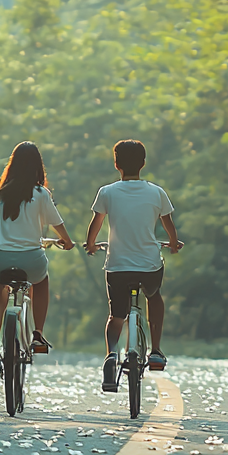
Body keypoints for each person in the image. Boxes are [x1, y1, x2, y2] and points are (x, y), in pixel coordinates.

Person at [84, 138, 182, 391]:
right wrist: (172, 243)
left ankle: (111, 354)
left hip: (117, 266)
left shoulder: (107, 192)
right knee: (154, 296)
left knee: (116, 316)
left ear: (116, 164)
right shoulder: (157, 192)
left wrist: (92, 244)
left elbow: (95, 225)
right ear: (144, 163)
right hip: (148, 265)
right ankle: (157, 350)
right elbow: (168, 225)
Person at [0, 142, 74, 378]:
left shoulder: (1, 193)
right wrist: (68, 241)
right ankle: (38, 334)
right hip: (31, 260)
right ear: (37, 167)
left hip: (0, 260)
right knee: (41, 284)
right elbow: (57, 223)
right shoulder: (41, 194)